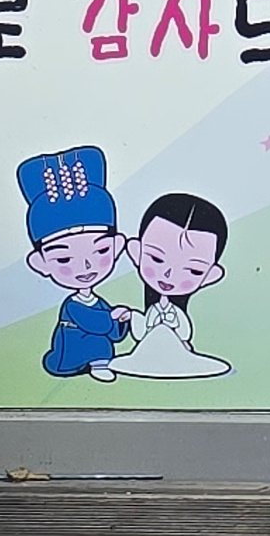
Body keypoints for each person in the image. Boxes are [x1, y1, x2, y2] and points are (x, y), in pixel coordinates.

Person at [18, 145, 131, 380]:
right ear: (41, 263)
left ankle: (100, 363)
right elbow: (95, 323)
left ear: (117, 246)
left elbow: (114, 334)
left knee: (103, 345)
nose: (86, 266)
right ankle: (87, 364)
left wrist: (121, 321)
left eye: (101, 251)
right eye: (64, 259)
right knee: (87, 345)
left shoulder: (97, 301)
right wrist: (111, 317)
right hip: (71, 352)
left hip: (99, 348)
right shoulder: (73, 305)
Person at [113, 191, 232, 375]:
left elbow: (184, 332)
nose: (168, 274)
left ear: (210, 275)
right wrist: (131, 316)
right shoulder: (153, 310)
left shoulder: (176, 314)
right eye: (156, 259)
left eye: (194, 270)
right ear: (136, 252)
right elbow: (142, 331)